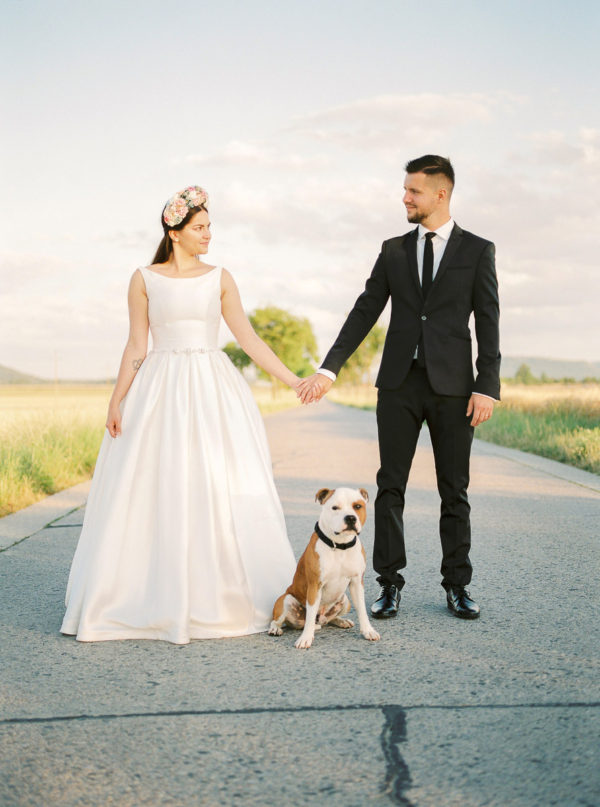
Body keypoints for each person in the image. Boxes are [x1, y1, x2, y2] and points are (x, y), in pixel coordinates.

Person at [61, 186, 300, 644]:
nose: (208, 235)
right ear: (175, 232)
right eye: (199, 228)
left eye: (210, 227)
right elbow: (137, 344)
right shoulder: (143, 279)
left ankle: (220, 592)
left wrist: (293, 380)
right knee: (157, 483)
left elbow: (249, 339)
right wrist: (116, 400)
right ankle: (145, 594)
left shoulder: (221, 278)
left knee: (216, 480)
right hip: (160, 389)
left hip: (212, 388)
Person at [298, 156, 500, 620]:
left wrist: (486, 385)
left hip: (455, 388)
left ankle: (457, 585)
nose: (405, 198)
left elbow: (488, 319)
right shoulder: (393, 250)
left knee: (455, 490)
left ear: (441, 194)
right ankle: (388, 584)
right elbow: (365, 309)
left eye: (413, 191)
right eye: (405, 189)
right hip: (398, 385)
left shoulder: (477, 250)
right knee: (390, 487)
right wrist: (329, 369)